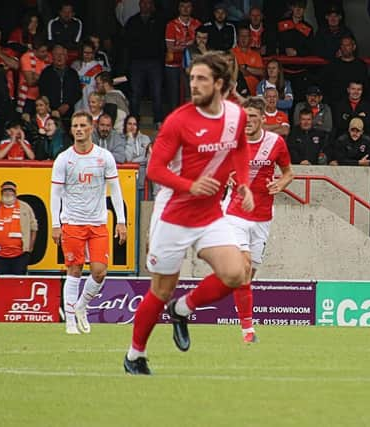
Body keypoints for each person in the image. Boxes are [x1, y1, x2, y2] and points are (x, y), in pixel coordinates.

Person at [124, 52, 254, 375]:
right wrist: (190, 186)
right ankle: (134, 356)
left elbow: (240, 147)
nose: (193, 85)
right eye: (192, 78)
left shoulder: (236, 116)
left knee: (238, 273)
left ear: (219, 84)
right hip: (174, 214)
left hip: (210, 214)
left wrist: (244, 183)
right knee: (161, 289)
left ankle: (182, 310)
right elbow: (154, 169)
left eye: (201, 79)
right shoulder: (178, 121)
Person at [51, 111, 127, 335]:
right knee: (74, 269)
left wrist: (121, 221)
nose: (79, 129)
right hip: (73, 222)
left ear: (91, 127)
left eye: (83, 125)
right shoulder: (64, 159)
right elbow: (55, 194)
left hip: (97, 223)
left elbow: (115, 190)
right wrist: (56, 223)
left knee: (99, 272)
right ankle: (71, 322)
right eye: (75, 126)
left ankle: (82, 305)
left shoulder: (104, 157)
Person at [225, 97, 293, 342]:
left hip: (263, 217)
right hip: (235, 214)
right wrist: (227, 177)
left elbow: (288, 172)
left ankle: (235, 296)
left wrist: (280, 184)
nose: (248, 121)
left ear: (263, 119)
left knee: (248, 276)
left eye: (253, 117)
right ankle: (248, 330)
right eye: (245, 117)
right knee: (242, 271)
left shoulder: (276, 143)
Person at [124, 0, 166, 129]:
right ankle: (134, 120)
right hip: (137, 62)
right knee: (135, 93)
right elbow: (126, 43)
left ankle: (158, 119)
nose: (146, 6)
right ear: (139, 5)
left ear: (152, 5)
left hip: (155, 61)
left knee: (156, 92)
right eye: (143, 3)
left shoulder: (159, 21)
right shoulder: (132, 21)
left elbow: (163, 42)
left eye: (148, 4)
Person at [0, 181, 38, 275]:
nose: (7, 193)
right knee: (0, 283)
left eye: (10, 190)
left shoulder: (25, 208)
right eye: (5, 191)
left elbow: (34, 228)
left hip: (20, 255)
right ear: (1, 193)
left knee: (19, 282)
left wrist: (30, 247)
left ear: (15, 193)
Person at [165, 0, 201, 115]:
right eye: (182, 6)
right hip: (173, 64)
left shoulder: (197, 24)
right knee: (174, 96)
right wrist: (189, 46)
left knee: (191, 94)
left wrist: (181, 46)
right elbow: (170, 48)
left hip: (192, 65)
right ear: (178, 8)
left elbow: (200, 45)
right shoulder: (171, 25)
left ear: (192, 8)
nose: (185, 9)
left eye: (188, 6)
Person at [38, 44, 81, 128]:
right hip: (51, 113)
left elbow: (78, 92)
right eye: (57, 55)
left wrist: (67, 104)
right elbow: (42, 93)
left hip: (69, 113)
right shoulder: (46, 73)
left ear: (66, 56)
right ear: (52, 56)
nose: (59, 57)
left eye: (62, 54)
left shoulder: (72, 73)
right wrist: (52, 109)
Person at [16, 37, 52, 115]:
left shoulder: (48, 57)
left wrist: (37, 76)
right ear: (34, 51)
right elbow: (30, 82)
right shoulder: (26, 57)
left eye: (46, 51)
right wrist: (43, 78)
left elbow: (50, 79)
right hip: (27, 98)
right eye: (42, 52)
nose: (46, 54)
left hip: (43, 98)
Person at [71, 41, 105, 113]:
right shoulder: (75, 65)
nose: (87, 55)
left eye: (90, 53)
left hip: (92, 101)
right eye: (85, 52)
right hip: (78, 102)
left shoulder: (98, 68)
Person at [123, 115, 151, 201]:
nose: (132, 127)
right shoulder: (121, 139)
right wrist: (130, 139)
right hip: (128, 181)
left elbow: (148, 158)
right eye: (129, 124)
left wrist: (134, 161)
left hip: (144, 180)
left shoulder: (145, 138)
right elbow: (127, 158)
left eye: (134, 124)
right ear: (125, 125)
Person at [231, 26, 264, 96]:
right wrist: (253, 72)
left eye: (246, 36)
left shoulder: (256, 54)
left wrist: (245, 67)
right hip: (236, 94)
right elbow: (231, 72)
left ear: (250, 38)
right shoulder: (231, 53)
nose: (243, 38)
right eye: (241, 36)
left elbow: (262, 72)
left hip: (254, 93)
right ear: (237, 38)